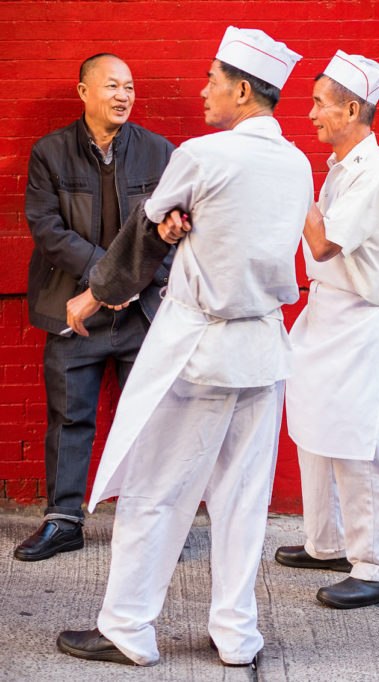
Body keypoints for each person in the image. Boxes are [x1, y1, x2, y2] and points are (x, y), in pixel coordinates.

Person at [55, 26, 311, 666]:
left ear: (243, 91)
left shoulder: (204, 155)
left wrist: (95, 294)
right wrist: (177, 223)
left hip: (201, 350)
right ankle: (236, 635)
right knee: (244, 499)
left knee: (156, 491)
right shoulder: (298, 162)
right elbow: (191, 224)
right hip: (263, 353)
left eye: (213, 80)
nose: (204, 90)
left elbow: (149, 233)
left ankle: (128, 630)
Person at [17, 54, 174, 562]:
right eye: (111, 86)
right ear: (83, 92)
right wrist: (112, 277)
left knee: (149, 422)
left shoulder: (159, 152)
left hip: (141, 311)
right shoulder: (50, 153)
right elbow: (46, 228)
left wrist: (126, 282)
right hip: (72, 310)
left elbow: (173, 227)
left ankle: (149, 523)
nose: (123, 95)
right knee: (69, 417)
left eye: (130, 86)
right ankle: (63, 521)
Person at [272, 50, 379, 610]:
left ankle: (376, 565)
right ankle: (325, 543)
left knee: (358, 441)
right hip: (325, 311)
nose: (311, 115)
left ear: (352, 109)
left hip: (357, 321)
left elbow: (323, 243)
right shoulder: (341, 169)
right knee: (313, 429)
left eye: (320, 104)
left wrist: (293, 178)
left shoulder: (374, 172)